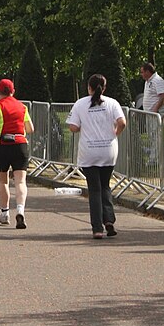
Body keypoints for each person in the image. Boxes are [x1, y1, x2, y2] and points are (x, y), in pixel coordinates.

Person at [67, 73, 126, 239]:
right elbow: (122, 122)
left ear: (89, 87)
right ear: (104, 87)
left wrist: (81, 127)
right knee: (105, 185)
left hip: (89, 152)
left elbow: (72, 127)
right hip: (108, 149)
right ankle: (109, 220)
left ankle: (97, 228)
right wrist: (115, 133)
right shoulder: (112, 103)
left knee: (94, 189)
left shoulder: (80, 104)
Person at [0, 78, 34, 229]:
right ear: (13, 91)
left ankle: (5, 213)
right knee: (20, 181)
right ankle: (20, 210)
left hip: (1, 144)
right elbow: (30, 128)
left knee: (3, 180)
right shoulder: (22, 107)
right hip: (20, 144)